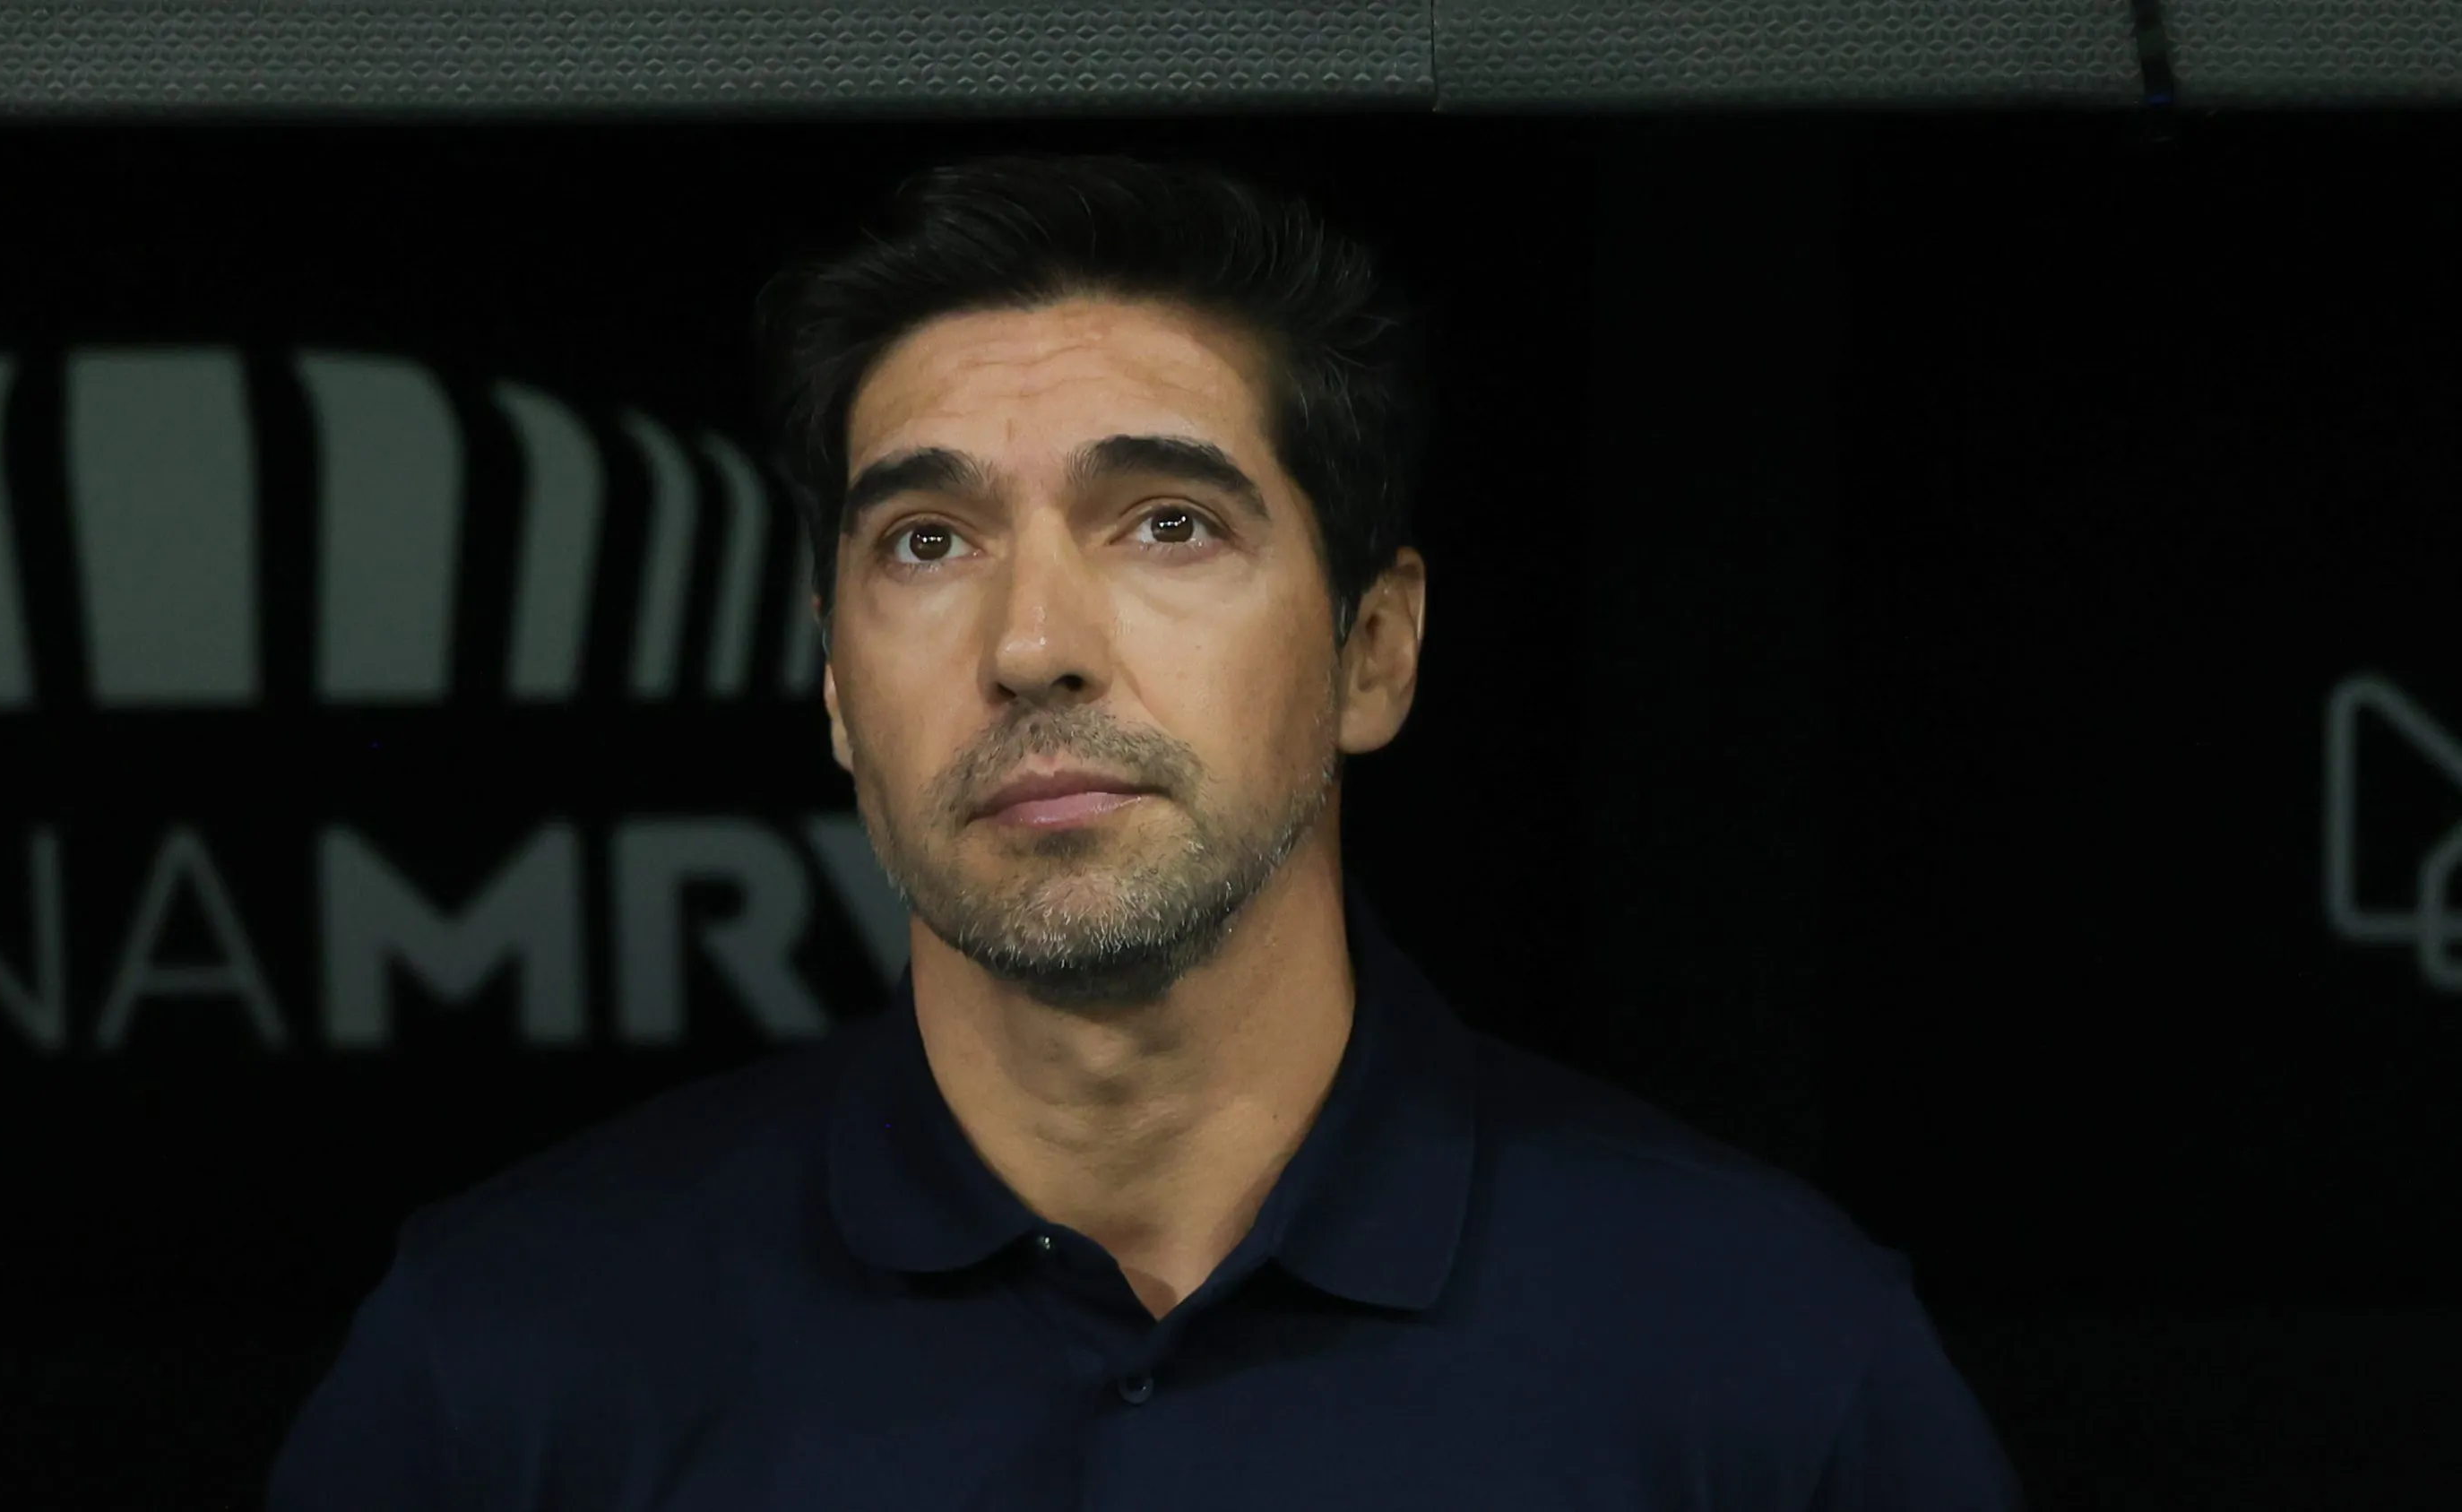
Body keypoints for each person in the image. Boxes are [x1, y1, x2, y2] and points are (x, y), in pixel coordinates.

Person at [266, 151, 2026, 1510]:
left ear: (1374, 651)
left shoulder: (1769, 1354)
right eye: (927, 543)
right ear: (831, 687)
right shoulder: (503, 1361)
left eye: (1167, 524)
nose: (1031, 645)